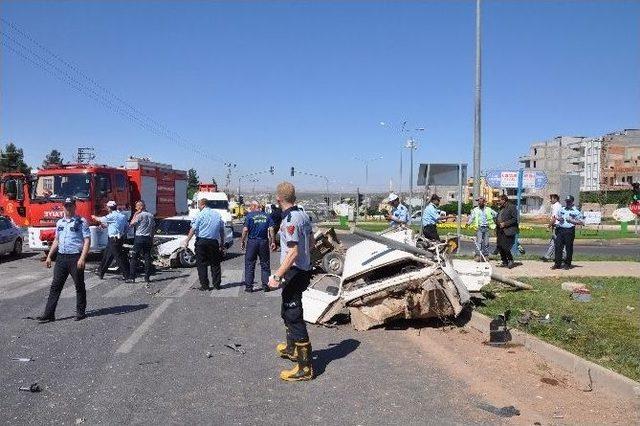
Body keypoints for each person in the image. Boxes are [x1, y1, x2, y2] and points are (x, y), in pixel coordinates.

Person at [268, 182, 315, 381]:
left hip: (294, 272)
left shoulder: (289, 220)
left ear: (278, 199)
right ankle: (291, 348)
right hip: (302, 270)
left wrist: (277, 275)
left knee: (294, 315)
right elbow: (311, 243)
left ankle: (305, 368)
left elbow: (293, 252)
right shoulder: (304, 215)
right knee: (286, 310)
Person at [36, 197, 91, 323]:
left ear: (74, 206)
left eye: (70, 205)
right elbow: (56, 240)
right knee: (55, 286)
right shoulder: (60, 222)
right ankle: (49, 314)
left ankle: (80, 312)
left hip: (75, 257)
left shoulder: (81, 221)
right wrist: (49, 256)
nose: (68, 208)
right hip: (61, 257)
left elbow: (87, 240)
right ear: (63, 207)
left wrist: (82, 258)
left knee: (79, 285)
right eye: (66, 206)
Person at [183, 198, 225, 290]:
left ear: (203, 204)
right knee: (215, 264)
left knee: (202, 264)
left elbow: (193, 229)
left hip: (201, 242)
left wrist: (187, 240)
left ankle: (205, 285)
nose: (198, 207)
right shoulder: (217, 214)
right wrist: (222, 243)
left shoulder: (200, 215)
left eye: (198, 205)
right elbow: (221, 230)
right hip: (214, 242)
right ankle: (217, 285)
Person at [92, 201, 130, 280]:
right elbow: (125, 226)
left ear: (109, 208)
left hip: (114, 239)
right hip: (118, 238)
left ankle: (127, 275)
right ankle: (101, 271)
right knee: (107, 255)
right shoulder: (122, 216)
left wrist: (93, 216)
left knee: (118, 257)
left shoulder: (112, 215)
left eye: (107, 207)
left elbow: (100, 219)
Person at [241, 201, 273, 293]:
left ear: (254, 206)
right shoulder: (267, 216)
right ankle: (266, 285)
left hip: (252, 242)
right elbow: (271, 229)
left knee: (250, 264)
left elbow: (245, 229)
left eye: (251, 206)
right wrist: (273, 241)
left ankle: (249, 287)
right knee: (265, 264)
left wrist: (243, 241)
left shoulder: (250, 216)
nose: (250, 208)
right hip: (263, 241)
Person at [552, 195, 584, 270]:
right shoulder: (562, 209)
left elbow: (582, 222)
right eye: (566, 201)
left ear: (572, 202)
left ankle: (567, 264)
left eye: (569, 201)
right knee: (558, 246)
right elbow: (558, 216)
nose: (567, 203)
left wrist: (572, 221)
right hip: (560, 229)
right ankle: (557, 264)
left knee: (568, 248)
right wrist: (559, 219)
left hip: (569, 230)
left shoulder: (576, 211)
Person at [129, 200, 155, 283]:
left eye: (137, 206)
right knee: (147, 257)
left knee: (134, 257)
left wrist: (135, 215)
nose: (136, 208)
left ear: (140, 207)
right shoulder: (150, 215)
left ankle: (132, 277)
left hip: (139, 237)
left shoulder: (139, 215)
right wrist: (152, 238)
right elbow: (153, 228)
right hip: (148, 238)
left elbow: (131, 225)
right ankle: (147, 277)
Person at [495, 194, 518, 269]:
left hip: (508, 230)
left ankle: (510, 260)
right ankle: (504, 261)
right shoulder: (501, 208)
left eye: (499, 200)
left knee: (505, 247)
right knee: (500, 246)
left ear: (504, 200)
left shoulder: (512, 207)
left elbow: (515, 219)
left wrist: (505, 224)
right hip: (500, 230)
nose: (498, 202)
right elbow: (498, 217)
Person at [540, 194, 563, 262]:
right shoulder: (556, 205)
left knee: (559, 242)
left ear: (555, 199)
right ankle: (547, 256)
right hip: (556, 226)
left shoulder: (556, 206)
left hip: (557, 227)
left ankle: (565, 257)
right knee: (553, 242)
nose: (550, 200)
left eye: (551, 198)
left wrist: (548, 226)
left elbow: (554, 218)